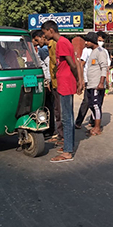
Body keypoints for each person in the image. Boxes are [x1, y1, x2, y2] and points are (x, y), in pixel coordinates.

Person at [42, 20, 83, 163]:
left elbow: (72, 64)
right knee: (68, 116)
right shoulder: (64, 42)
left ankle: (67, 152)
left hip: (65, 82)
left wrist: (78, 80)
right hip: (65, 81)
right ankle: (68, 146)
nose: (44, 35)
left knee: (66, 117)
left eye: (45, 32)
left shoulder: (61, 43)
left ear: (51, 30)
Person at [84, 32, 108, 136]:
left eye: (87, 41)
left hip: (97, 85)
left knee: (96, 105)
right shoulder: (92, 52)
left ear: (93, 41)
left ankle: (97, 128)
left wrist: (101, 83)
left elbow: (104, 67)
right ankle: (94, 125)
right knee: (91, 105)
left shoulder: (100, 52)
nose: (85, 43)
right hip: (90, 83)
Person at [47, 35, 64, 145]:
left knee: (60, 111)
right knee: (57, 110)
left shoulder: (54, 45)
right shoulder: (50, 46)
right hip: (54, 82)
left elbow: (57, 64)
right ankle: (59, 134)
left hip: (59, 83)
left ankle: (63, 136)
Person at [75, 40, 93, 129]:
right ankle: (78, 122)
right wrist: (81, 80)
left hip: (97, 79)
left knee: (96, 102)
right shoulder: (86, 50)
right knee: (86, 101)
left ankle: (93, 121)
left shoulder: (101, 50)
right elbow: (81, 64)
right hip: (88, 79)